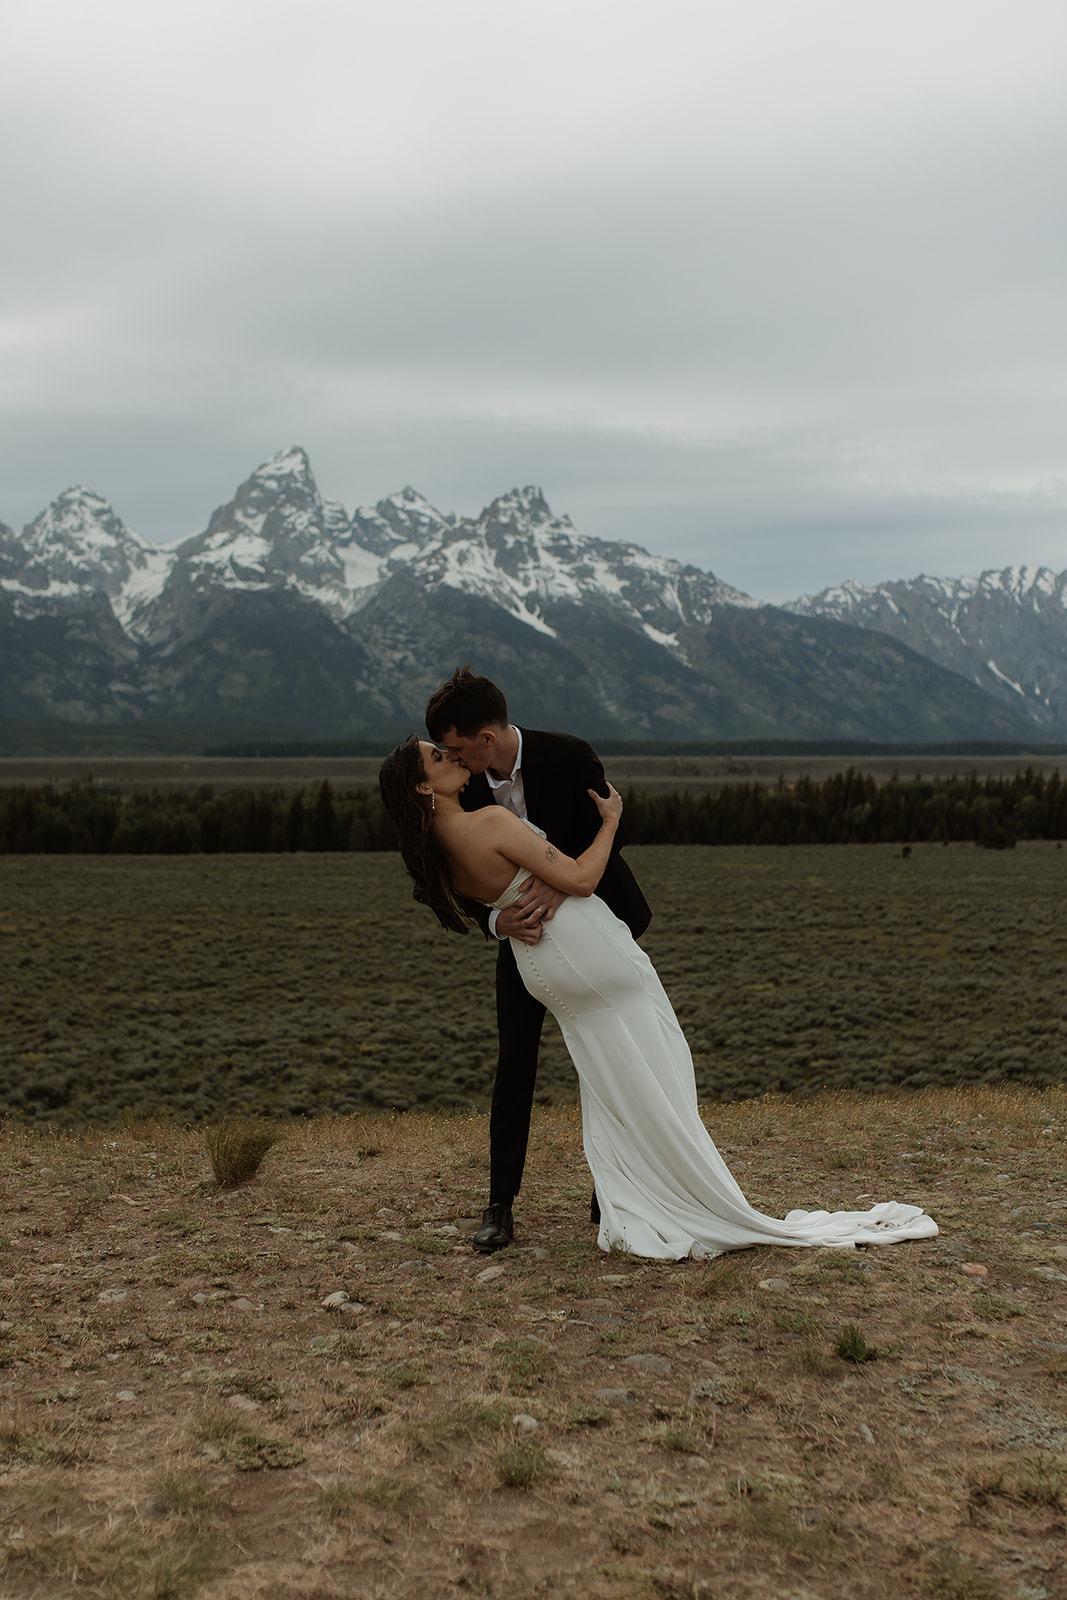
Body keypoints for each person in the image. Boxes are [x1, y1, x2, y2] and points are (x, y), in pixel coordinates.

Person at [378, 734, 938, 1261]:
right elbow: (579, 879)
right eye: (437, 756)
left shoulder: (437, 848)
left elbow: (494, 894)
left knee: (608, 1075)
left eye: (449, 746)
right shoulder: (491, 818)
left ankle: (628, 1195)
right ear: (424, 787)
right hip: (582, 944)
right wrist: (611, 822)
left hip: (539, 964)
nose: (451, 755)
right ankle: (675, 1190)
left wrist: (504, 913)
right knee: (659, 1060)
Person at [423, 667, 651, 1254]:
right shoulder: (462, 787)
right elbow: (464, 875)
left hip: (595, 930)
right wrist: (498, 921)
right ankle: (500, 1205)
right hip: (523, 942)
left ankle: (612, 1190)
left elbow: (614, 830)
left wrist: (563, 883)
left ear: (486, 739)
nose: (450, 757)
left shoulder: (570, 756)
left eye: (454, 746)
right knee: (515, 1063)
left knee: (606, 1060)